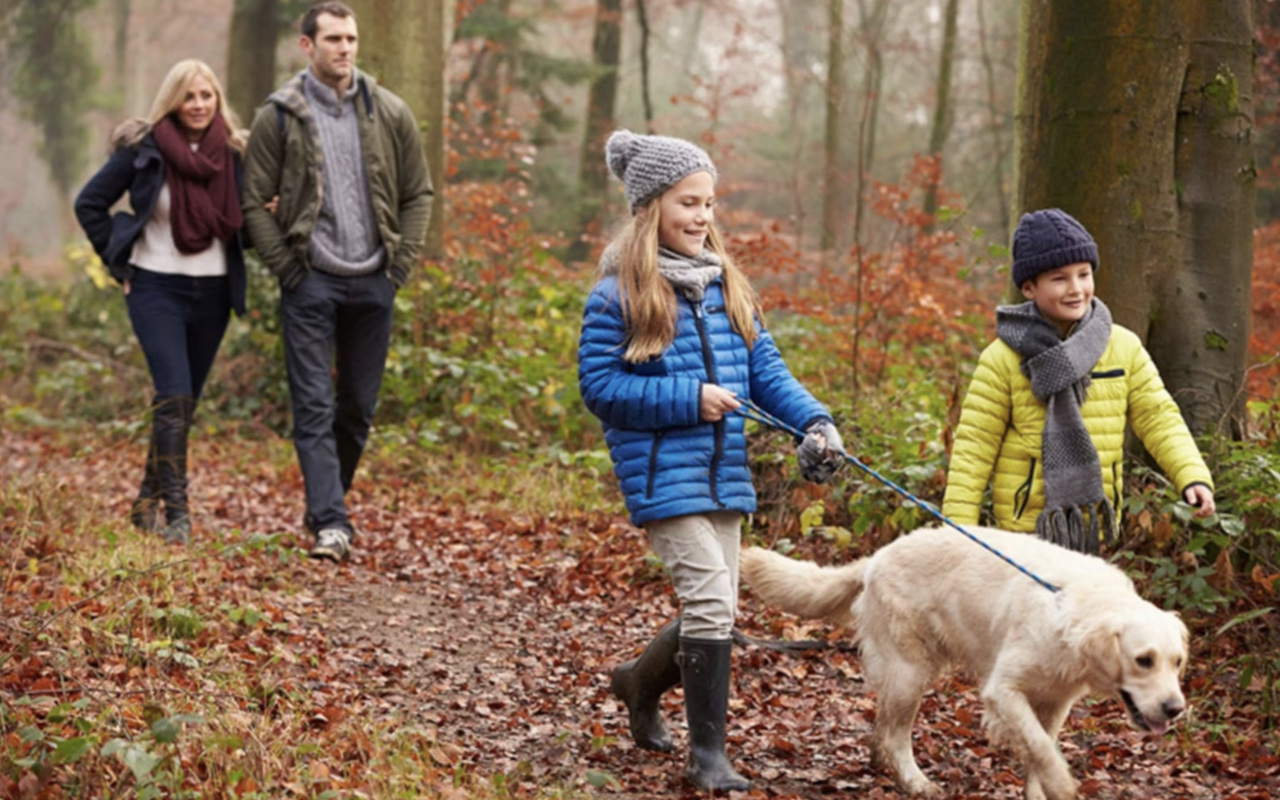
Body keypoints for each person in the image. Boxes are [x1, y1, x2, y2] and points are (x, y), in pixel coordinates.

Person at [578, 129, 846, 791]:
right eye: (688, 203)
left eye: (709, 204)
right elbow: (602, 390)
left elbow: (768, 373)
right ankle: (708, 758)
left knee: (718, 609)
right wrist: (687, 397)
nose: (702, 217)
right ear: (650, 208)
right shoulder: (617, 296)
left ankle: (637, 685)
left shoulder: (728, 286)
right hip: (659, 473)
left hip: (722, 473)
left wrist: (814, 422)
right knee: (707, 602)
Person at [242, 1, 434, 563]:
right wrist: (288, 269)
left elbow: (418, 193)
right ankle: (331, 520)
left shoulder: (390, 111)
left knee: (358, 407)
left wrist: (399, 267)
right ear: (307, 46)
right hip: (311, 281)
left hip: (375, 279)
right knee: (313, 407)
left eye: (350, 38)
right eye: (332, 39)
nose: (344, 48)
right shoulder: (278, 116)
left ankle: (327, 504)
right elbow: (253, 200)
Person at [942, 208, 1216, 552]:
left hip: (1095, 525)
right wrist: (957, 535)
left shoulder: (1123, 346)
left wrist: (1191, 475)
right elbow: (974, 449)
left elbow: (1158, 417)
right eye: (1059, 279)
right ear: (1029, 288)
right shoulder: (1002, 359)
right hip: (1024, 531)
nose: (1076, 289)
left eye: (1083, 274)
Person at [75, 59, 248, 546]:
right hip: (155, 290)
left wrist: (267, 213)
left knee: (183, 404)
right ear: (173, 101)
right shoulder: (144, 150)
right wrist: (119, 263)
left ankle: (144, 502)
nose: (198, 105)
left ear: (217, 100)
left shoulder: (234, 154)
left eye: (206, 95)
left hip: (213, 292)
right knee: (173, 395)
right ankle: (178, 513)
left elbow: (241, 227)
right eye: (188, 96)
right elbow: (89, 204)